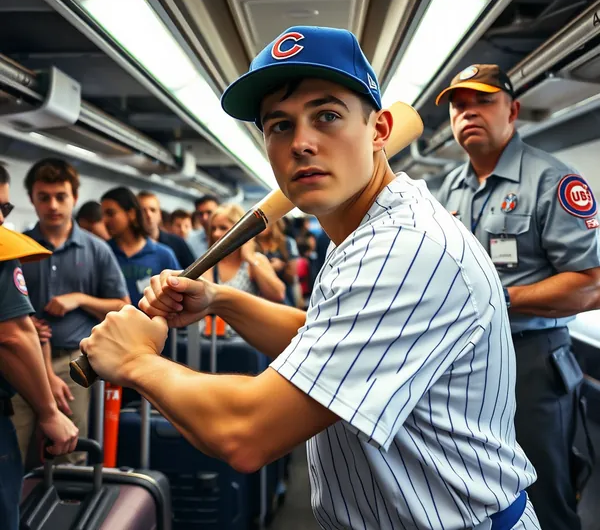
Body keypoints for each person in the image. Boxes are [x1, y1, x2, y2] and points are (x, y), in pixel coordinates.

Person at [81, 26, 541, 529]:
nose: (301, 143)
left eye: (327, 116)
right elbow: (320, 339)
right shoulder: (368, 230)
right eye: (279, 126)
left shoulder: (403, 247)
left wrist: (134, 361)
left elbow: (244, 433)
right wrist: (220, 299)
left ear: (381, 129)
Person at [434, 64, 600, 530]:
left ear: (514, 110)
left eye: (483, 101)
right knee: (475, 496)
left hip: (531, 363)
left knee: (543, 497)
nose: (468, 113)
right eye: (459, 105)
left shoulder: (551, 180)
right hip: (463, 365)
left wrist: (498, 298)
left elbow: (591, 283)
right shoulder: (450, 186)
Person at [13, 158, 129, 468]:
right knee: (14, 449)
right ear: (32, 200)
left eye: (61, 196)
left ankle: (69, 510)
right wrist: (23, 322)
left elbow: (122, 304)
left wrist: (79, 299)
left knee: (70, 450)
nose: (53, 205)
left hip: (74, 365)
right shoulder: (16, 249)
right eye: (44, 197)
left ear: (74, 198)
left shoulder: (96, 250)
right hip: (21, 362)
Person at [0, 163, 78, 529]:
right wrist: (48, 410)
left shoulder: (92, 249)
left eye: (5, 209)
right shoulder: (5, 250)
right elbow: (13, 336)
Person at [101, 187, 181, 309]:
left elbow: (178, 297)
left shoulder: (163, 255)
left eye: (111, 214)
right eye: (103, 215)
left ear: (131, 214)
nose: (105, 220)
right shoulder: (103, 253)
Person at [138, 191, 195, 269]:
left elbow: (194, 273)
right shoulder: (129, 246)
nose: (149, 215)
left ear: (160, 214)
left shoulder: (178, 243)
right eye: (143, 211)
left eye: (153, 210)